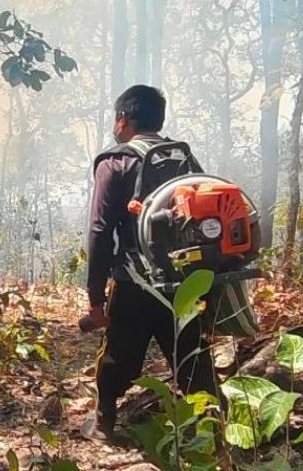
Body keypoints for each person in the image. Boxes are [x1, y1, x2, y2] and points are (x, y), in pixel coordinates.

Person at [79, 85, 216, 442]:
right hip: (185, 283)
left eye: (116, 118)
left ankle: (105, 422)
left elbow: (99, 229)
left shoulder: (116, 162)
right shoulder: (183, 159)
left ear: (123, 120)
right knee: (192, 360)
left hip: (135, 282)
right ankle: (215, 437)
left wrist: (95, 294)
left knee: (117, 359)